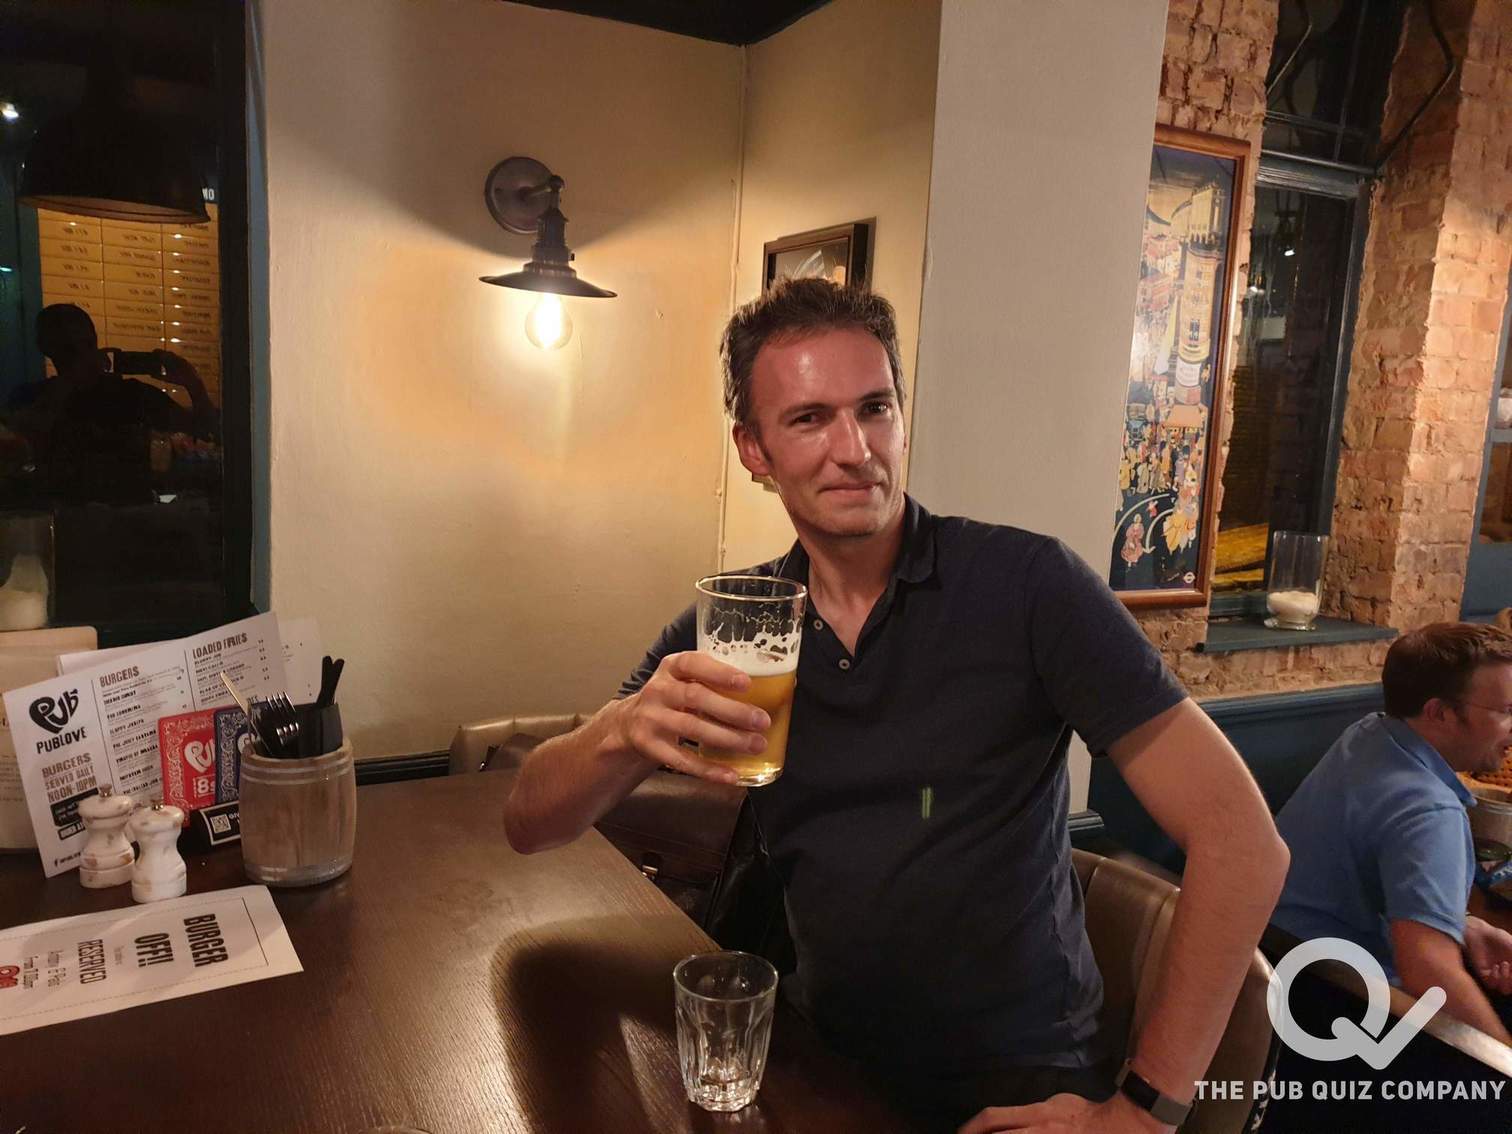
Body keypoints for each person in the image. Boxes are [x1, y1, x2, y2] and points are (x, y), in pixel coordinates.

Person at [504, 280, 1288, 1133]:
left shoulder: (1028, 587)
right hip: (821, 1066)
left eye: (874, 409)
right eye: (810, 419)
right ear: (754, 450)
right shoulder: (737, 623)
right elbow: (530, 822)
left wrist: (1143, 1113)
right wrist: (620, 729)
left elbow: (1244, 844)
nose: (854, 449)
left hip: (1017, 1092)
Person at [1273, 623, 1512, 1044]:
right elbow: (1428, 973)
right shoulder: (1430, 811)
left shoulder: (1371, 734)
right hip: (1332, 1006)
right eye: (1506, 711)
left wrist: (1463, 925)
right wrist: (1503, 1061)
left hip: (1270, 958)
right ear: (1440, 712)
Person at [5, 303, 215, 500]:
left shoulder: (131, 394)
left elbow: (205, 429)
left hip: (123, 516)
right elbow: (20, 445)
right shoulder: (34, 397)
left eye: (87, 345)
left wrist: (192, 382)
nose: (83, 355)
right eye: (71, 349)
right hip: (76, 515)